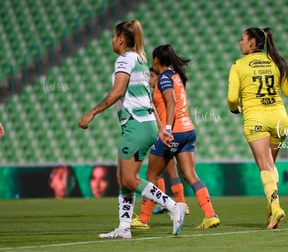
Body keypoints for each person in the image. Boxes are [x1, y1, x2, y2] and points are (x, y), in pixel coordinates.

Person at [78, 20, 185, 239]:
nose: (111, 40)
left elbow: (117, 92)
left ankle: (174, 206)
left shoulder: (124, 60)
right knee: (122, 177)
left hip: (135, 124)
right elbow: (148, 98)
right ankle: (124, 228)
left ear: (121, 39)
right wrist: (159, 128)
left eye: (113, 36)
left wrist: (92, 113)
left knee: (129, 179)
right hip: (142, 123)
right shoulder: (141, 61)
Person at [132, 45, 220, 229]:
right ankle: (210, 215)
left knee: (151, 174)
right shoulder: (176, 76)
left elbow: (171, 101)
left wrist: (168, 129)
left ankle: (143, 219)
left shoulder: (164, 77)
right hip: (188, 130)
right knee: (190, 175)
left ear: (156, 60)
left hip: (174, 133)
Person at [227, 27, 288, 229]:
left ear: (251, 43)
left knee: (265, 166)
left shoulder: (238, 65)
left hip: (256, 118)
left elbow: (232, 99)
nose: (240, 42)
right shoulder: (276, 61)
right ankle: (271, 213)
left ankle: (276, 208)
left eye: (242, 39)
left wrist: (234, 109)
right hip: (280, 119)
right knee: (271, 167)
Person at [148, 68, 189, 216]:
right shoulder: (156, 94)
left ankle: (179, 203)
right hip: (164, 133)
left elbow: (170, 106)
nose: (149, 80)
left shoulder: (160, 94)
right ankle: (166, 202)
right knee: (161, 172)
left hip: (167, 134)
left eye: (152, 76)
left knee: (167, 171)